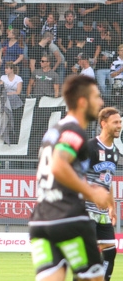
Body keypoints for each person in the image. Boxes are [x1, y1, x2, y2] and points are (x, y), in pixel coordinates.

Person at [29, 75, 111, 281]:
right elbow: (58, 164)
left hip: (41, 221)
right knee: (94, 278)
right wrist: (91, 192)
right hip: (69, 217)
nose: (101, 102)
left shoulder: (54, 132)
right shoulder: (74, 130)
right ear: (83, 102)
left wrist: (88, 188)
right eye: (96, 97)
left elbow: (64, 170)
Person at [87, 107, 122, 281]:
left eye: (120, 122)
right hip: (85, 209)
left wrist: (112, 206)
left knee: (110, 252)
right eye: (115, 122)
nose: (119, 126)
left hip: (102, 213)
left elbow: (108, 182)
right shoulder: (90, 147)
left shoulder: (115, 152)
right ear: (103, 123)